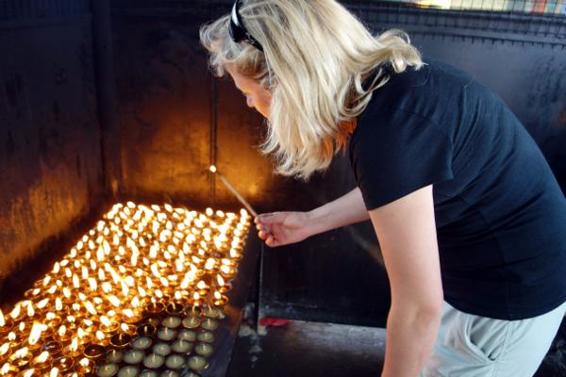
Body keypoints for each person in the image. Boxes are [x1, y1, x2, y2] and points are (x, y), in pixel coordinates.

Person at [200, 1, 566, 376]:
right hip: (481, 277)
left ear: (288, 84)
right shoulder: (393, 87)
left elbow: (417, 308)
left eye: (246, 91)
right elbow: (403, 189)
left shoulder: (388, 134)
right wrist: (311, 221)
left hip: (507, 299)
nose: (247, 102)